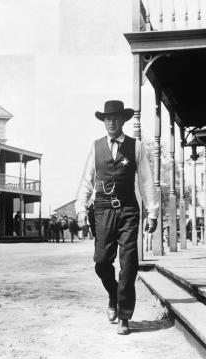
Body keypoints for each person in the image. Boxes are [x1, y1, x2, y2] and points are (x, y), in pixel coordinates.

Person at [76, 100, 159, 335]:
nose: (111, 122)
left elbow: (145, 180)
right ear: (104, 121)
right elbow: (87, 180)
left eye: (115, 118)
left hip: (129, 210)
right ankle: (113, 294)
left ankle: (124, 315)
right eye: (107, 118)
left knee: (129, 263)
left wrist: (152, 212)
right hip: (102, 209)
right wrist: (81, 208)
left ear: (123, 120)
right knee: (102, 262)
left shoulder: (136, 146)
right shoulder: (96, 147)